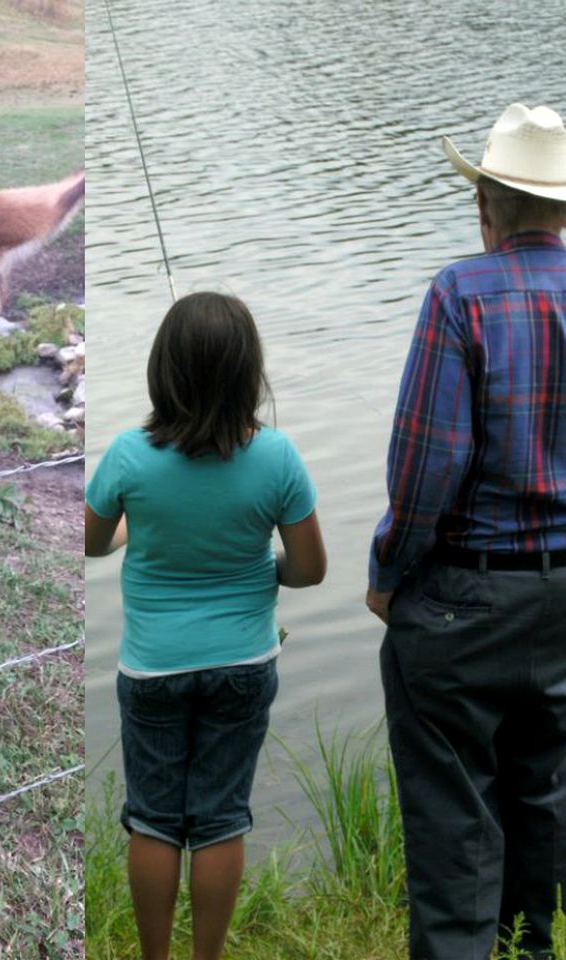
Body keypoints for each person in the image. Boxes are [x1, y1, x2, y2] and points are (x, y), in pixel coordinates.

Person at [367, 103, 566, 960]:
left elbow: (426, 470)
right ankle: (530, 947)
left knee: (455, 828)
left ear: (484, 203)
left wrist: (387, 572)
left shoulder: (458, 293)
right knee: (541, 794)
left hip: (462, 600)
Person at [85, 291, 326, 960]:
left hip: (151, 667)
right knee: (220, 820)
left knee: (154, 821)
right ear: (249, 371)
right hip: (243, 665)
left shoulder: (128, 456)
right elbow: (308, 570)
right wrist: (256, 572)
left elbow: (91, 542)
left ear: (163, 368)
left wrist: (140, 526)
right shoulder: (277, 458)